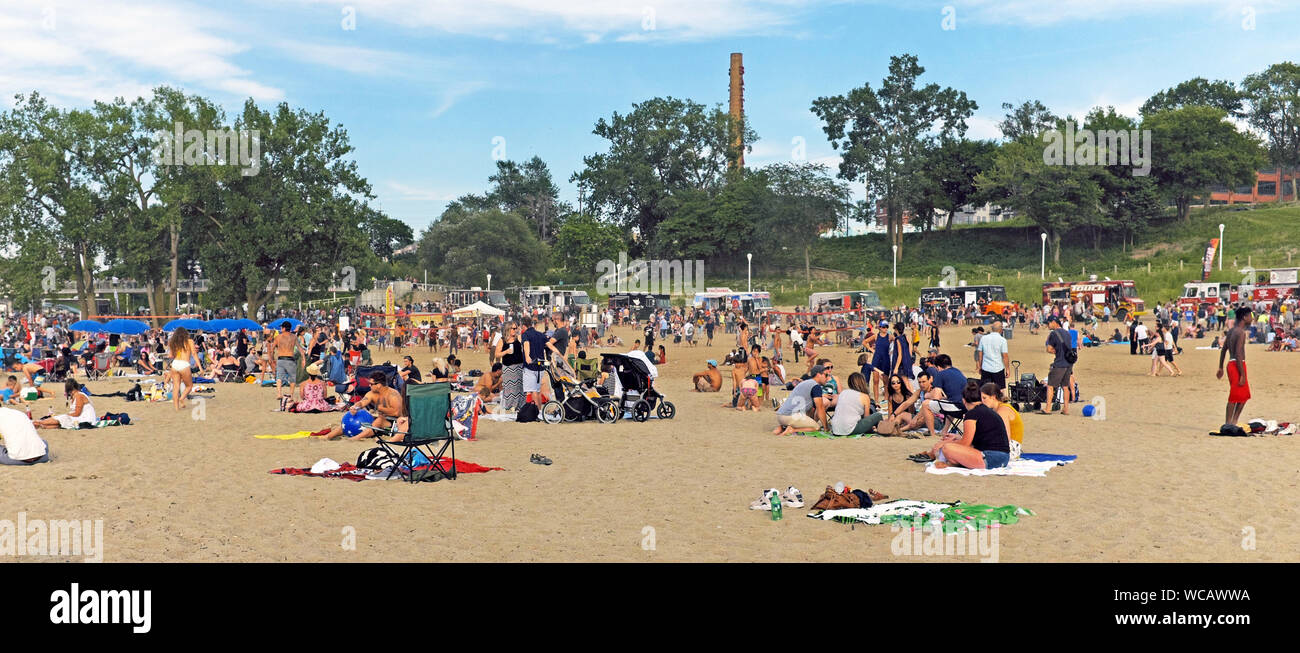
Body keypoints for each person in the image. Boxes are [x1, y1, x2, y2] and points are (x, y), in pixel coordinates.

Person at [921, 383, 1010, 470]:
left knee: (947, 448)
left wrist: (943, 444)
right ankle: (952, 462)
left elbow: (965, 443)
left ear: (964, 400)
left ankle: (949, 462)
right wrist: (956, 438)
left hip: (990, 458)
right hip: (1003, 457)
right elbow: (979, 438)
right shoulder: (986, 411)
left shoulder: (972, 414)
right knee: (952, 442)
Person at [1217, 306, 1253, 427]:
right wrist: (1242, 374)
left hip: (1231, 364)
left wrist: (1220, 367)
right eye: (1250, 316)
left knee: (1243, 395)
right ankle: (1229, 423)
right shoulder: (1240, 332)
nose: (1251, 319)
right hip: (1237, 364)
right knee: (1235, 396)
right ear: (1244, 317)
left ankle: (1233, 422)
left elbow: (1224, 349)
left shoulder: (1232, 330)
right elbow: (1238, 353)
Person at [771, 365, 831, 436]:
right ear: (818, 374)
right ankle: (792, 430)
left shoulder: (805, 383)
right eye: (826, 375)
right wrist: (826, 428)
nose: (827, 378)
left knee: (807, 421)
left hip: (780, 415)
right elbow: (820, 408)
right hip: (790, 416)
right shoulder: (815, 386)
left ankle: (782, 428)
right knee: (816, 427)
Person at [829, 372, 882, 436]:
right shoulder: (865, 396)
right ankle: (882, 431)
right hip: (849, 429)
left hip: (835, 429)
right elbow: (866, 417)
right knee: (878, 415)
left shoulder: (843, 393)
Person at [1042, 315, 1073, 415]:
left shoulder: (1053, 334)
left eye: (1048, 323)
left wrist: (1055, 351)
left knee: (1051, 386)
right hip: (1069, 363)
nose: (1047, 325)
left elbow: (1049, 349)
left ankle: (1048, 408)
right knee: (1065, 386)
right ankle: (1066, 409)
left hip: (1059, 363)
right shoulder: (1067, 333)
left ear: (1054, 322)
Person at [521, 316, 551, 406]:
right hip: (540, 367)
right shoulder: (541, 334)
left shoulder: (525, 335)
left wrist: (527, 356)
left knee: (532, 390)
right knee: (537, 391)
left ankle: (535, 412)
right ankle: (539, 411)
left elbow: (526, 345)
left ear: (523, 325)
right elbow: (549, 346)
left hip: (530, 366)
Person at [167, 327, 197, 411]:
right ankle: (182, 398)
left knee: (176, 387)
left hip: (175, 363)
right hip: (184, 364)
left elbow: (171, 355)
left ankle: (176, 408)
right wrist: (200, 367)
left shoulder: (173, 343)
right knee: (189, 386)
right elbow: (194, 354)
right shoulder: (190, 341)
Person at [975, 320, 1011, 391]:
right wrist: (1007, 368)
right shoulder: (1002, 340)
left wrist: (980, 366)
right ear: (1001, 330)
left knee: (985, 389)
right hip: (998, 367)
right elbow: (1005, 356)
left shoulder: (984, 338)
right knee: (1000, 390)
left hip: (986, 367)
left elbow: (980, 354)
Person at [273, 322, 297, 402]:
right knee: (292, 378)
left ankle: (279, 393)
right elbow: (300, 348)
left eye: (281, 328)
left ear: (283, 328)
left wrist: (271, 358)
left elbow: (272, 348)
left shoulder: (278, 337)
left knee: (279, 377)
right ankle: (291, 396)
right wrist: (303, 358)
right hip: (290, 359)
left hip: (281, 358)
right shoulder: (294, 337)